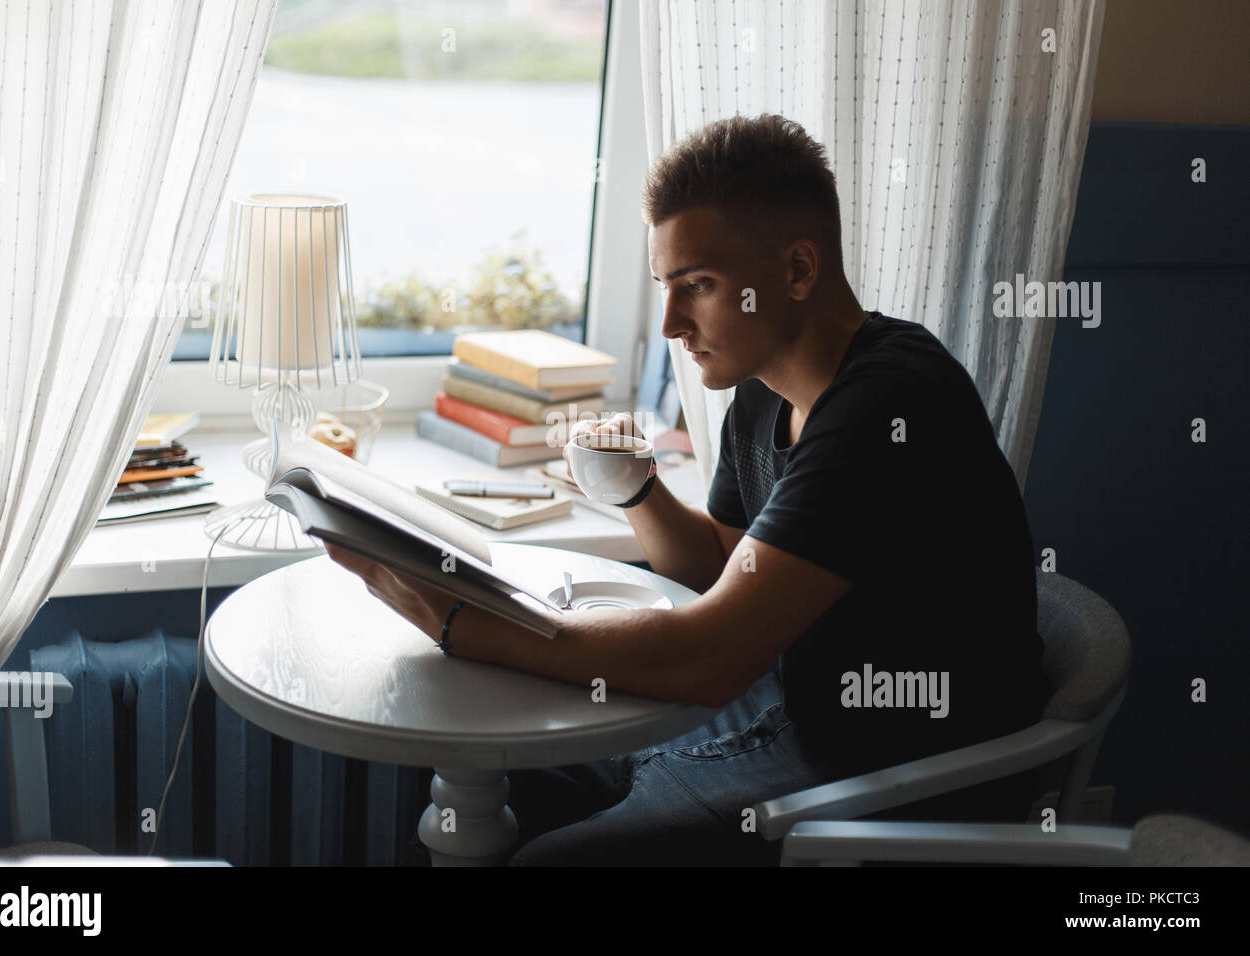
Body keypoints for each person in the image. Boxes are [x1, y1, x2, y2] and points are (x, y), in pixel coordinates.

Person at [326, 113, 1052, 866]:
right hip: (792, 710)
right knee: (496, 779)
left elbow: (707, 657)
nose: (672, 322)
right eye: (665, 289)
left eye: (697, 286)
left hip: (896, 775)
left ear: (799, 271)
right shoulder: (764, 389)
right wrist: (637, 489)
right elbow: (721, 563)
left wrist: (459, 623)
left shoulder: (891, 402)